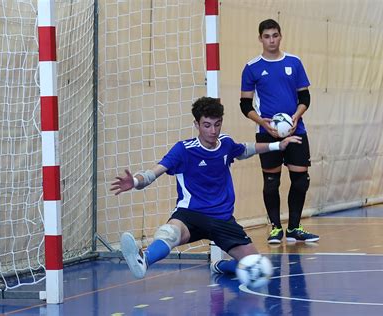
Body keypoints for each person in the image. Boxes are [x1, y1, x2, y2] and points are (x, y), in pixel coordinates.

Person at [110, 96, 302, 279]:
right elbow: (153, 173)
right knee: (170, 233)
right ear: (196, 125)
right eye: (207, 125)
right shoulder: (184, 149)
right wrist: (135, 181)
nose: (213, 131)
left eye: (217, 124)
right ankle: (143, 260)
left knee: (259, 267)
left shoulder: (226, 144)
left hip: (223, 219)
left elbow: (245, 149)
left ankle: (221, 266)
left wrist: (278, 145)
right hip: (191, 215)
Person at [240, 18, 319, 244]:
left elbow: (305, 96)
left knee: (300, 179)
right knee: (271, 181)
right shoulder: (252, 67)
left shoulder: (294, 62)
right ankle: (275, 228)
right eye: (267, 36)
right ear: (260, 39)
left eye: (275, 35)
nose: (271, 40)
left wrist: (296, 117)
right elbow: (245, 105)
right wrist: (264, 123)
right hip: (267, 133)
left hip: (296, 130)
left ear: (280, 36)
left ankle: (294, 227)